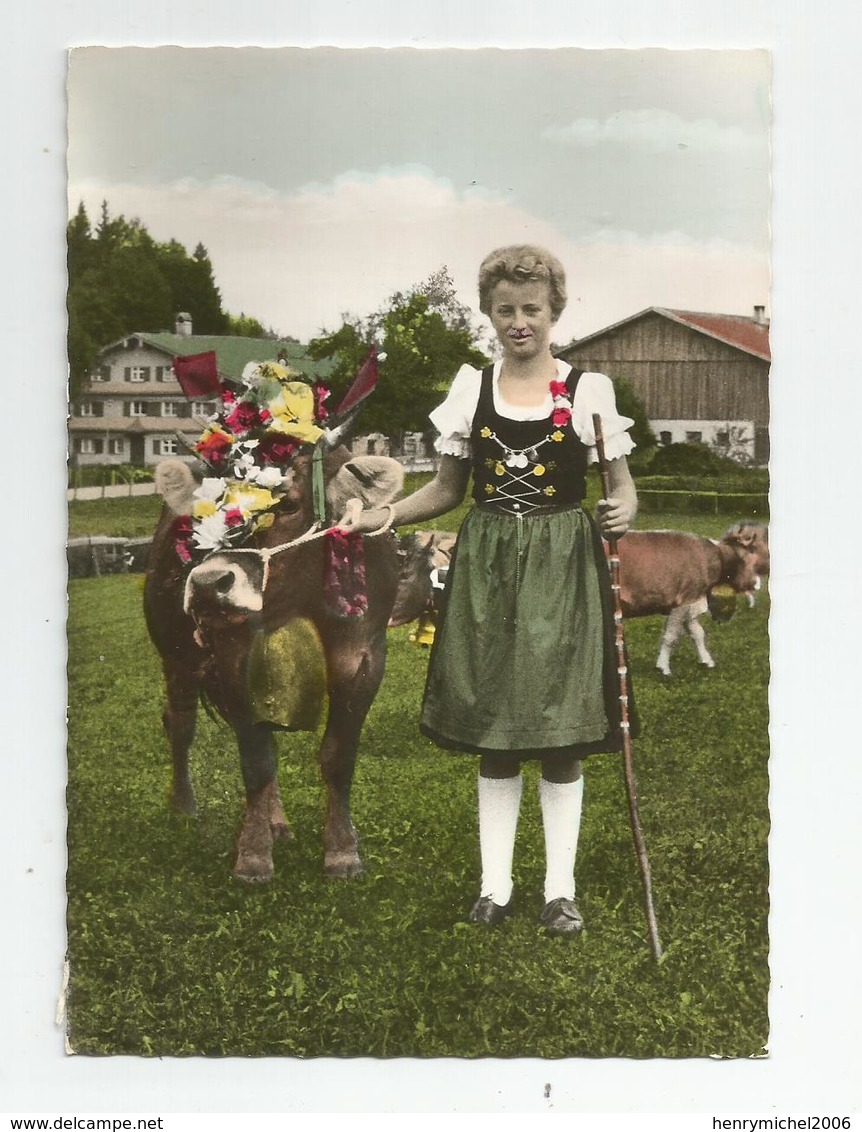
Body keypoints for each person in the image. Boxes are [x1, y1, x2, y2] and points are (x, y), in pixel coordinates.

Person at [338, 245, 637, 936]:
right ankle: (494, 888)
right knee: (496, 732)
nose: (519, 322)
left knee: (563, 732)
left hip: (563, 566)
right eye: (506, 310)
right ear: (490, 315)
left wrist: (624, 510)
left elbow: (620, 491)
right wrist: (381, 515)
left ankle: (559, 892)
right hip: (490, 566)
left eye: (532, 309)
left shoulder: (588, 389)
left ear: (554, 312)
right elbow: (446, 489)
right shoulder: (471, 389)